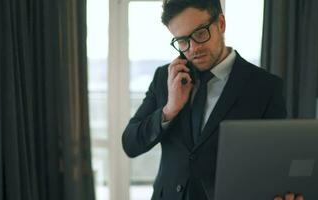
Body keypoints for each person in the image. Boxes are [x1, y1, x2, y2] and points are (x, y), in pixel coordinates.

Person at [122, 0, 293, 199]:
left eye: (201, 33)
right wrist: (170, 109)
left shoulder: (265, 87)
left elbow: (275, 162)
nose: (193, 48)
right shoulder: (165, 78)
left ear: (221, 23)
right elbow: (130, 144)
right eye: (182, 41)